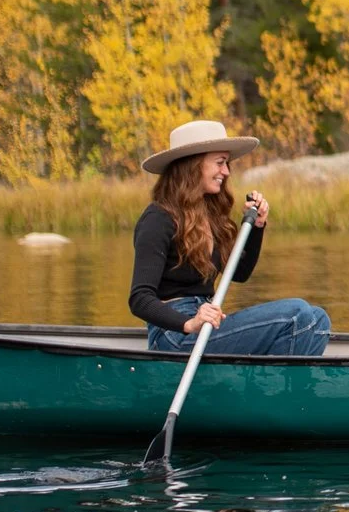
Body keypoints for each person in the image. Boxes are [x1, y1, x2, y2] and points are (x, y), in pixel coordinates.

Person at [132, 119, 329, 356]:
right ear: (193, 165)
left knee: (318, 320)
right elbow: (140, 299)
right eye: (220, 163)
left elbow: (240, 273)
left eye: (227, 164)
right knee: (298, 314)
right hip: (173, 335)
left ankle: (267, 388)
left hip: (207, 321)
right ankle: (269, 387)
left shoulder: (209, 216)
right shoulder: (158, 218)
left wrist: (257, 227)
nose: (226, 172)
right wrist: (189, 323)